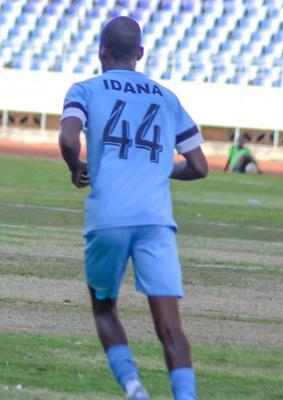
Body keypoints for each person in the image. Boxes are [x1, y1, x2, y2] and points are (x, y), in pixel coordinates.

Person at [58, 17, 208, 400]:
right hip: (156, 221)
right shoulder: (166, 97)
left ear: (101, 51)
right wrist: (159, 168)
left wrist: (77, 167)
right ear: (140, 54)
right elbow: (199, 166)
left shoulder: (84, 90)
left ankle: (135, 390)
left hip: (107, 217)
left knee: (105, 309)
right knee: (171, 328)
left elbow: (68, 138)